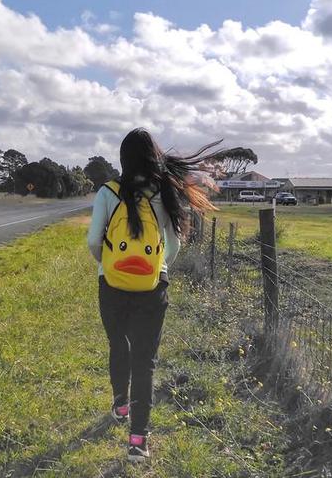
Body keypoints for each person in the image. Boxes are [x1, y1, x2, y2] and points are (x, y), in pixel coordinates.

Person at [87, 128, 226, 463]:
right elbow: (175, 245)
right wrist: (157, 268)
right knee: (145, 363)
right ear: (154, 158)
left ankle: (120, 403)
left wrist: (109, 265)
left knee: (118, 345)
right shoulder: (163, 193)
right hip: (153, 287)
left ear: (123, 159)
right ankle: (138, 442)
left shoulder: (108, 192)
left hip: (112, 285)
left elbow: (94, 241)